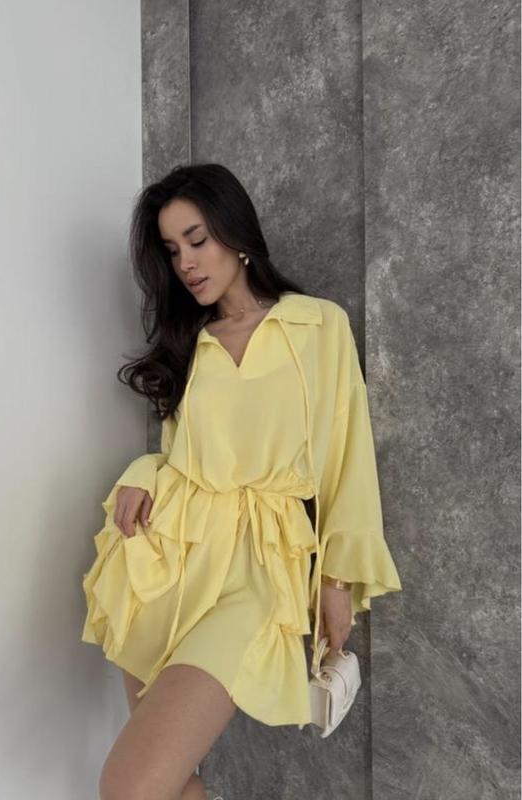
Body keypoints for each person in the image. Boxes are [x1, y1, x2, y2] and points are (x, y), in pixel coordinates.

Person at [81, 162, 402, 800]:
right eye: (172, 250)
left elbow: (348, 458)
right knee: (168, 784)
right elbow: (178, 457)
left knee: (130, 786)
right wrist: (141, 473)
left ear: (235, 232)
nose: (186, 263)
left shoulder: (317, 326)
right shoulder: (191, 345)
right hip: (169, 560)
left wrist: (336, 581)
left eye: (197, 240)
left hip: (257, 572)